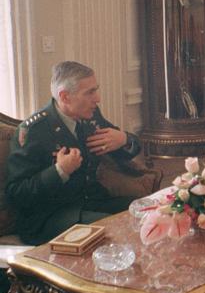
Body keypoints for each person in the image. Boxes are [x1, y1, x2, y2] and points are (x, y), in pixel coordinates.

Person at [5, 61, 141, 245]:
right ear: (65, 96)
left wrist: (124, 139)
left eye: (96, 90)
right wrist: (59, 171)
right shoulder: (32, 132)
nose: (98, 98)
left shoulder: (90, 115)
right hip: (51, 216)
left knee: (145, 210)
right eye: (90, 92)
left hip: (90, 202)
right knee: (114, 231)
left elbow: (122, 151)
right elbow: (17, 193)